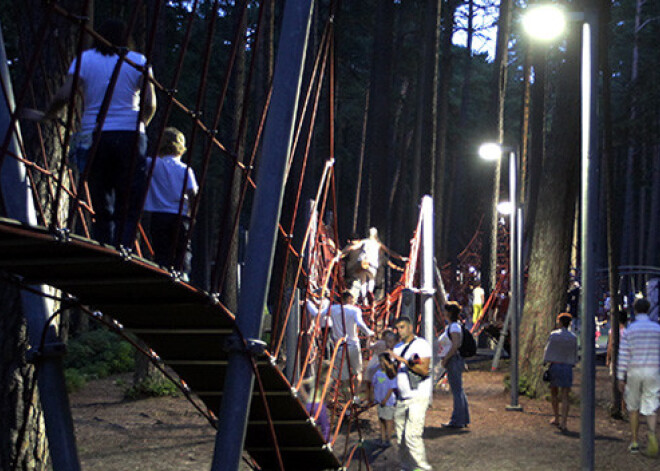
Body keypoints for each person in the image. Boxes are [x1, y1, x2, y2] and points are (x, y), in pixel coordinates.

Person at [27, 18, 157, 247]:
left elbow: (63, 96)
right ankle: (123, 246)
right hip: (131, 135)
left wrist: (47, 115)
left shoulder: (84, 60)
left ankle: (104, 243)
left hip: (95, 134)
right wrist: (141, 125)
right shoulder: (138, 61)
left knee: (101, 193)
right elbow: (150, 103)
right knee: (129, 197)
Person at [144, 127, 198, 278]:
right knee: (183, 249)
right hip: (180, 215)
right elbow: (192, 193)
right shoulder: (185, 170)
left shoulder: (152, 164)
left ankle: (163, 273)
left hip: (159, 215)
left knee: (161, 249)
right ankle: (183, 275)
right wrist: (192, 214)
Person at [306, 291, 374, 400]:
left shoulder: (333, 309)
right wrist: (369, 333)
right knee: (357, 373)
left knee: (344, 379)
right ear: (349, 299)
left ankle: (348, 403)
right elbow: (360, 323)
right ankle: (356, 397)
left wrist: (307, 302)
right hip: (353, 345)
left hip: (341, 347)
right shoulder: (355, 310)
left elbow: (316, 314)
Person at [617, 297, 660, 456]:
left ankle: (634, 441)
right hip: (653, 371)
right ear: (648, 310)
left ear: (635, 311)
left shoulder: (630, 330)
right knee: (651, 405)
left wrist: (621, 376)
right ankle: (652, 434)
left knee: (633, 407)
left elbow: (623, 355)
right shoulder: (657, 329)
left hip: (635, 370)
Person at [388, 316, 432, 471]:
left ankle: (422, 467)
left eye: (402, 327)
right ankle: (406, 467)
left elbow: (423, 369)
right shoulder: (397, 347)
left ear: (410, 327)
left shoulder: (420, 345)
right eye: (397, 328)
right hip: (401, 396)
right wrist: (387, 363)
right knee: (400, 437)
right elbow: (393, 374)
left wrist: (403, 360)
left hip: (418, 395)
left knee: (412, 435)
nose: (399, 331)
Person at [542, 312, 578, 433]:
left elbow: (548, 350)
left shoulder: (554, 335)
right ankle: (564, 421)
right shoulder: (573, 337)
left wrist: (545, 361)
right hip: (567, 366)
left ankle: (556, 416)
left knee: (554, 392)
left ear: (560, 322)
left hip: (555, 365)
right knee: (565, 394)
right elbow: (574, 353)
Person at [440, 301, 470, 429]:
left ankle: (457, 420)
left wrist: (446, 358)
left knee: (457, 390)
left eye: (445, 311)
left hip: (453, 359)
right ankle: (462, 418)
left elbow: (455, 344)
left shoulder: (453, 327)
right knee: (459, 390)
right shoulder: (455, 326)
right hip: (455, 359)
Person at [363, 329, 397, 403]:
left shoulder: (380, 343)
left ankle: (369, 398)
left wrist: (369, 339)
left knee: (369, 380)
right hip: (385, 363)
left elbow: (369, 347)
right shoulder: (392, 345)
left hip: (375, 361)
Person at [372, 353, 397, 448]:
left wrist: (385, 400)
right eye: (380, 361)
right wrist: (374, 397)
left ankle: (388, 439)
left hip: (388, 402)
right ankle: (382, 439)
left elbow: (391, 389)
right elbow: (373, 384)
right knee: (381, 419)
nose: (381, 363)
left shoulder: (391, 374)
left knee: (388, 420)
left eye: (383, 361)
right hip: (380, 402)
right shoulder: (377, 373)